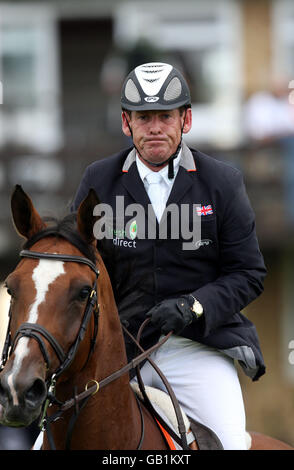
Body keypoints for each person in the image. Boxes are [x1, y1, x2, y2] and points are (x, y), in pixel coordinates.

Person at [72, 62, 267, 450]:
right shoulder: (98, 180)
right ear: (127, 123)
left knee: (229, 442)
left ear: (186, 119)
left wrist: (194, 305)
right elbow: (79, 266)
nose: (155, 128)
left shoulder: (223, 183)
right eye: (144, 118)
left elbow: (248, 273)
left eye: (166, 116)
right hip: (117, 351)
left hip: (197, 348)